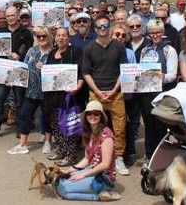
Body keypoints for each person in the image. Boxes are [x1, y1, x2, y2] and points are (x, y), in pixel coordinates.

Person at [82, 15, 129, 176]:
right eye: (99, 26)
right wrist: (97, 91)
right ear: (95, 29)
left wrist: (114, 90)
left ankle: (119, 157)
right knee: (94, 126)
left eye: (105, 26)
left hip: (115, 93)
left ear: (109, 28)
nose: (102, 29)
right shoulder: (89, 48)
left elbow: (124, 71)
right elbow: (86, 73)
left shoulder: (119, 47)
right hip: (96, 94)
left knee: (120, 127)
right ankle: (92, 156)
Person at [0, 6, 33, 139]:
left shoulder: (26, 33)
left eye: (13, 15)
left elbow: (30, 52)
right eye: (8, 16)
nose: (10, 18)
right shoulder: (0, 32)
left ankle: (21, 129)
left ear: (17, 16)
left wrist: (20, 56)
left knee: (20, 102)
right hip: (3, 71)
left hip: (19, 71)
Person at [56, 101, 121, 202]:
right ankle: (95, 191)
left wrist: (83, 175)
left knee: (63, 191)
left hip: (103, 176)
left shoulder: (106, 134)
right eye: (89, 114)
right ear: (86, 116)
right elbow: (86, 159)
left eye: (96, 114)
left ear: (101, 116)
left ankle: (99, 196)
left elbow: (105, 164)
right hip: (91, 170)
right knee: (60, 182)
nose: (92, 116)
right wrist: (69, 170)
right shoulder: (89, 133)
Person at [7, 27, 55, 155]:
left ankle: (48, 142)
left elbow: (56, 72)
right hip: (32, 90)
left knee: (46, 117)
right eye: (38, 36)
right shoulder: (31, 51)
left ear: (49, 37)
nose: (41, 39)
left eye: (44, 36)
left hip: (47, 92)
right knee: (24, 115)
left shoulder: (54, 52)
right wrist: (13, 78)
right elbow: (24, 68)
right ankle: (23, 144)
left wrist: (45, 68)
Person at [137, 19, 178, 160]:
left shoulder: (169, 50)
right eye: (152, 33)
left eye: (158, 32)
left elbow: (173, 75)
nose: (155, 35)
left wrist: (162, 77)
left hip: (162, 93)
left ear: (163, 33)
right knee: (149, 125)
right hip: (146, 93)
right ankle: (149, 155)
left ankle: (162, 155)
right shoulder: (144, 50)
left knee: (160, 125)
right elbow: (141, 70)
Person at [44, 27, 85, 165]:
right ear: (55, 38)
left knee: (70, 125)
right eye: (58, 35)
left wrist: (78, 87)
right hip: (53, 95)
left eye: (64, 35)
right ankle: (61, 149)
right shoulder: (51, 53)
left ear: (69, 38)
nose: (61, 38)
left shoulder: (75, 52)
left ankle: (70, 156)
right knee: (56, 125)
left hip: (69, 96)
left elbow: (82, 72)